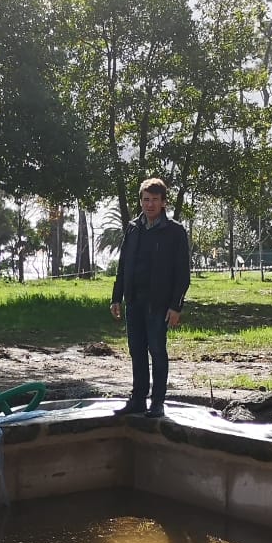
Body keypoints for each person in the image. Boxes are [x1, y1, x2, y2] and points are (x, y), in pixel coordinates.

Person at [110, 177, 192, 418]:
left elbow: (182, 273)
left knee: (157, 350)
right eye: (146, 199)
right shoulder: (133, 228)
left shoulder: (175, 231)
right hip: (134, 301)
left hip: (159, 304)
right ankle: (138, 399)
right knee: (136, 350)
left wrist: (176, 305)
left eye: (155, 200)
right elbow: (123, 265)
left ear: (164, 202)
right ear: (141, 201)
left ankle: (157, 402)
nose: (150, 204)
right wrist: (117, 297)